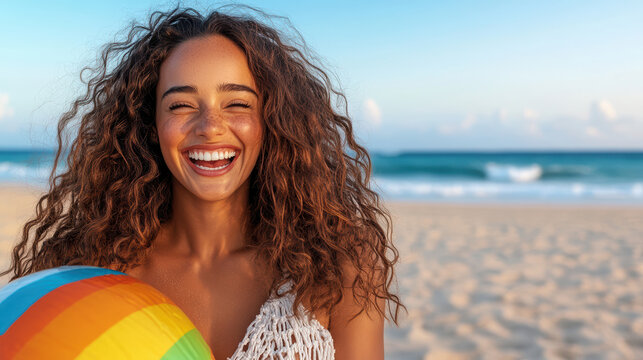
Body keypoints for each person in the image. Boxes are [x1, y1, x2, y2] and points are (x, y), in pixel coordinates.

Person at [1, 5, 404, 359]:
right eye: (181, 105)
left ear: (272, 121)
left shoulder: (338, 264)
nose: (210, 127)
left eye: (237, 104)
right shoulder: (95, 267)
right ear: (150, 123)